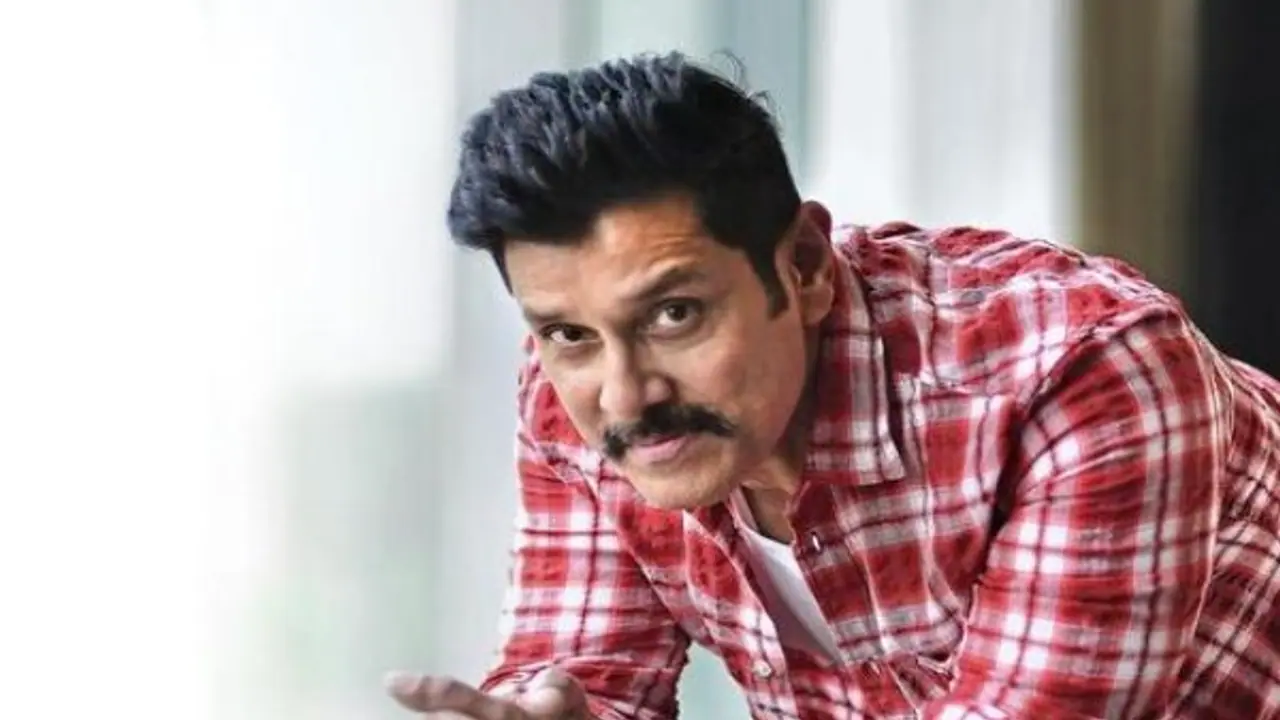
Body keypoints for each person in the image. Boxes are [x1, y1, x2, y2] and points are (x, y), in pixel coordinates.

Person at [386, 52, 1280, 719]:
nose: (624, 396)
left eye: (674, 315)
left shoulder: (1082, 374)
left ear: (806, 267)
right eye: (569, 334)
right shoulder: (572, 396)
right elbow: (590, 678)